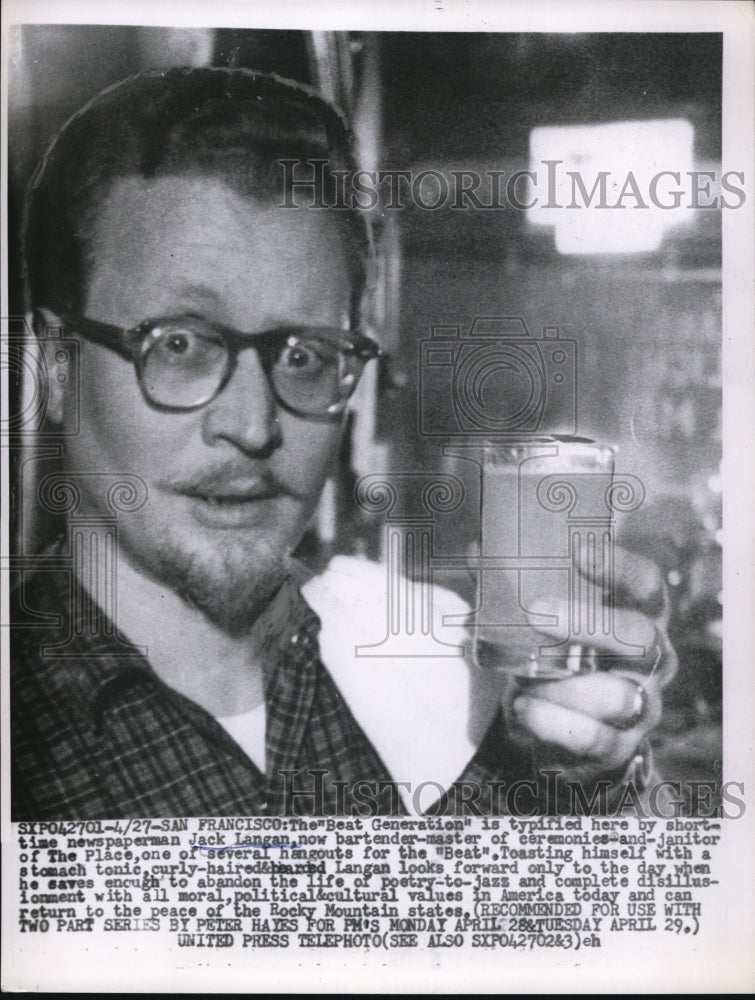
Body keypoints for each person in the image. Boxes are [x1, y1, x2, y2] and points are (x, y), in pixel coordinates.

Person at [11, 67, 676, 819]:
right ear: (58, 366)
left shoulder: (446, 674)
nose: (254, 424)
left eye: (304, 356)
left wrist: (606, 784)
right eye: (181, 345)